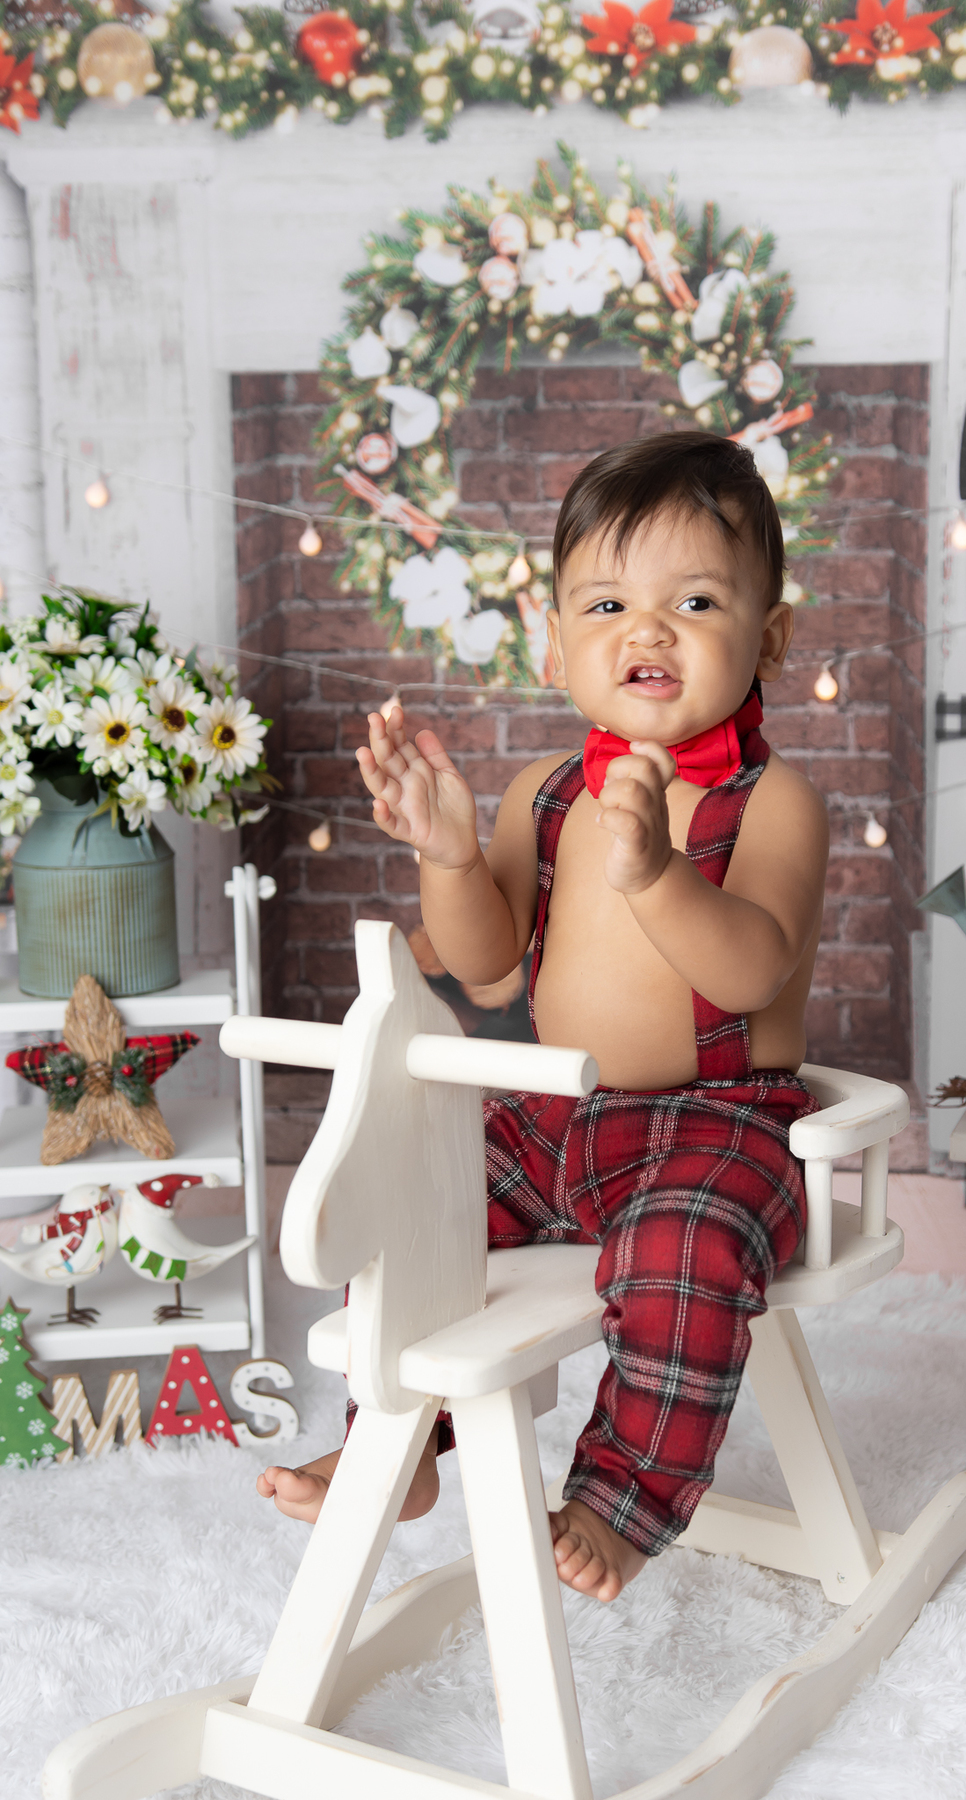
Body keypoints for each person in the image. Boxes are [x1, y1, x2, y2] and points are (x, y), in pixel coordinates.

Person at [258, 430, 829, 1603]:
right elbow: (487, 968)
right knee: (414, 1191)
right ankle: (399, 1444)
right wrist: (452, 855)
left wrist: (657, 871)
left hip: (718, 1123)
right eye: (609, 602)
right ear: (557, 640)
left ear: (767, 637)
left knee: (686, 1255)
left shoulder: (772, 802)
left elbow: (748, 974)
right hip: (554, 1121)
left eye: (698, 600)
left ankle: (621, 1501)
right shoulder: (546, 791)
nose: (649, 630)